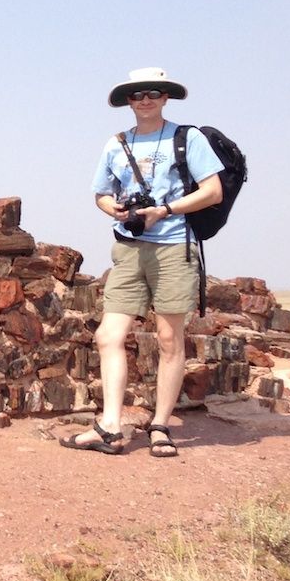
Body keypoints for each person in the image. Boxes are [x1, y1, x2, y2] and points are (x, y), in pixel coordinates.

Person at [62, 67, 224, 458]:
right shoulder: (117, 144)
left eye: (153, 92)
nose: (145, 99)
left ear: (165, 97)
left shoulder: (188, 139)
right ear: (129, 102)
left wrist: (164, 210)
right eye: (137, 95)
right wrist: (114, 210)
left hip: (173, 247)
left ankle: (160, 426)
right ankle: (112, 426)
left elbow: (213, 191)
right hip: (130, 248)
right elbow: (101, 193)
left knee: (169, 338)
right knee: (108, 335)